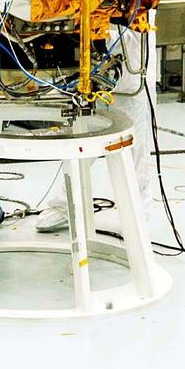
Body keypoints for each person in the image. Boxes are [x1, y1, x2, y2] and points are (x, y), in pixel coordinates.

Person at [36, 22, 158, 233]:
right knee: (80, 138)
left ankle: (137, 215)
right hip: (88, 71)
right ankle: (66, 205)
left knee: (134, 147)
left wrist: (101, 36)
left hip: (130, 74)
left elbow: (131, 29)